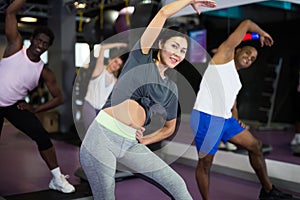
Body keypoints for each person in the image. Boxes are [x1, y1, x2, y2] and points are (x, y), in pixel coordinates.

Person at [79, 0, 217, 199]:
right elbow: (162, 14)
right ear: (160, 44)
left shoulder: (171, 88)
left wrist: (147, 139)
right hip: (102, 138)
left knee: (176, 183)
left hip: (130, 144)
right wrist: (189, 0)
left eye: (182, 51)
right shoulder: (140, 56)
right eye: (174, 46)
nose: (177, 54)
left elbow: (169, 127)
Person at [190, 19, 294, 200]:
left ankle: (268, 191)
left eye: (253, 59)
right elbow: (246, 23)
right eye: (247, 53)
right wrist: (261, 33)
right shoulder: (223, 57)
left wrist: (236, 119)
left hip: (226, 120)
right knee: (206, 164)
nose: (249, 58)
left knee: (255, 146)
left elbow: (233, 105)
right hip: (206, 117)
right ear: (237, 50)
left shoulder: (237, 80)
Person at [0, 0, 75, 193]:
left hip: (13, 106)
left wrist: (34, 109)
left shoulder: (45, 72)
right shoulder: (15, 47)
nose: (40, 45)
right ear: (32, 39)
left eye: (45, 44)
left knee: (42, 137)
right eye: (39, 41)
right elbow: (10, 12)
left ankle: (57, 179)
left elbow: (60, 98)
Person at [82, 42, 127, 131]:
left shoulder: (115, 80)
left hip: (101, 110)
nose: (116, 65)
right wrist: (119, 45)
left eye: (119, 65)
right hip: (89, 106)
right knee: (91, 133)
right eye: (115, 61)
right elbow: (102, 48)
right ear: (110, 59)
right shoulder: (99, 70)